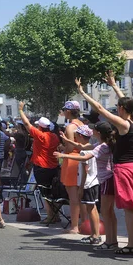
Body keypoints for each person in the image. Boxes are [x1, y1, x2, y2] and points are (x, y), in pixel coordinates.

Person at [76, 78, 133, 255]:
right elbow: (128, 103)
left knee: (128, 208)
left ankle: (131, 244)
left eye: (118, 106)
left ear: (122, 109)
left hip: (124, 169)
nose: (117, 109)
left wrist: (83, 93)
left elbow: (100, 109)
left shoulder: (123, 125)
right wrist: (115, 86)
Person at [55, 125, 101, 244]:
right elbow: (79, 146)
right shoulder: (89, 147)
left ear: (80, 136)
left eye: (76, 135)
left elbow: (85, 170)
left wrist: (81, 187)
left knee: (92, 209)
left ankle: (95, 235)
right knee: (92, 209)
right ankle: (94, 234)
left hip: (88, 184)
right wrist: (67, 139)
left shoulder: (85, 151)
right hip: (93, 182)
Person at [17, 102, 61, 224]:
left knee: (44, 192)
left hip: (41, 167)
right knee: (54, 192)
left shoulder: (41, 135)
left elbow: (26, 124)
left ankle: (50, 216)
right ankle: (56, 215)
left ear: (41, 127)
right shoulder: (55, 137)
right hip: (53, 166)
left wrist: (21, 110)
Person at [59, 100, 83, 234]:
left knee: (73, 196)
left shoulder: (70, 127)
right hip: (81, 159)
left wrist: (62, 147)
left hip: (71, 160)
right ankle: (84, 222)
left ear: (68, 111)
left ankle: (75, 226)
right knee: (81, 194)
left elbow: (69, 147)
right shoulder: (81, 124)